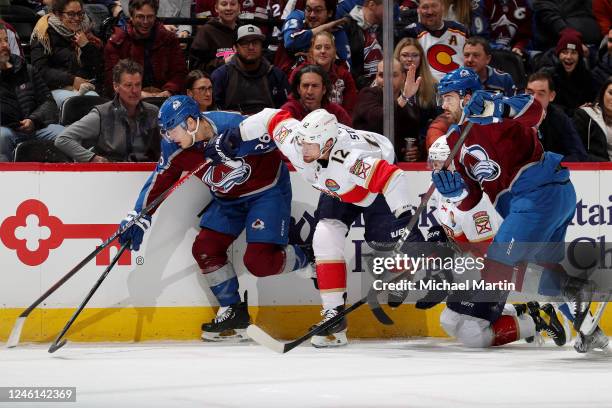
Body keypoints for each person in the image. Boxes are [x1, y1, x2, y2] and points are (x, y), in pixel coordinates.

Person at [212, 107, 426, 347]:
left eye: (310, 145)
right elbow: (270, 117)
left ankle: (409, 270)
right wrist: (237, 135)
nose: (303, 150)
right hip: (338, 189)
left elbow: (392, 177)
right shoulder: (295, 141)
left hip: (373, 187)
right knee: (324, 236)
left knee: (384, 243)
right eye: (302, 143)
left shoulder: (349, 160)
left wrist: (403, 214)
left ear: (328, 145)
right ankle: (333, 317)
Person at [432, 66, 607, 352]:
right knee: (547, 278)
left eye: (447, 97)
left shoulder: (495, 110)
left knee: (498, 266)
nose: (442, 105)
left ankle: (574, 288)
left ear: (466, 96)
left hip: (537, 195)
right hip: (540, 200)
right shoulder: (454, 140)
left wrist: (496, 106)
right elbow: (473, 200)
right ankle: (590, 331)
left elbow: (535, 110)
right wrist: (457, 192)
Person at [117, 95, 314, 341]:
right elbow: (160, 181)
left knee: (259, 262)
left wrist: (239, 144)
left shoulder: (230, 123)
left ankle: (307, 257)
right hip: (228, 200)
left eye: (171, 131)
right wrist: (139, 215)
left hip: (266, 191)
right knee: (205, 248)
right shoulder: (174, 148)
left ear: (190, 123)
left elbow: (276, 137)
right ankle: (233, 311)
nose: (168, 138)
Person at [423, 136, 568, 349]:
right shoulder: (438, 189)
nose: (434, 169)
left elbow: (487, 251)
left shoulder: (474, 198)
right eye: (432, 163)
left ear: (453, 164)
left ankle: (534, 323)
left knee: (473, 334)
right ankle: (521, 312)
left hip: (495, 271)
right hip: (474, 271)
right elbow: (449, 231)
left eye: (438, 163)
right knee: (449, 321)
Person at [54, 59, 160, 162]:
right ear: (116, 86)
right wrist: (92, 158)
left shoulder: (154, 112)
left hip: (146, 173)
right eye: (128, 85)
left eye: (138, 85)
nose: (135, 91)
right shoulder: (101, 114)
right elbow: (63, 139)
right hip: (111, 173)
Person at [0, 24, 63, 162]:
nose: (5, 45)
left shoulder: (27, 70)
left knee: (65, 134)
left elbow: (48, 102)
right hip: (7, 131)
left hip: (36, 127)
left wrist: (33, 120)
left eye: (5, 40)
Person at [104, 0, 188, 98]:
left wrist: (169, 91)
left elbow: (180, 72)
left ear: (155, 16)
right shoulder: (117, 42)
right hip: (130, 99)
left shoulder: (168, 39)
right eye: (140, 16)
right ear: (131, 16)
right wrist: (138, 93)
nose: (145, 22)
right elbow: (112, 80)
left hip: (165, 98)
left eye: (150, 17)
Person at [30, 0, 103, 108]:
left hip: (87, 85)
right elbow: (40, 70)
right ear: (58, 14)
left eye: (80, 13)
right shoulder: (43, 33)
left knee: (97, 103)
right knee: (83, 104)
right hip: (55, 88)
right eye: (71, 14)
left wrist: (86, 46)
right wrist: (71, 80)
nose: (77, 18)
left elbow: (98, 67)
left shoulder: (86, 31)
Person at [210, 24, 290, 114]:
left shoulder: (276, 75)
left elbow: (285, 109)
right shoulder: (222, 75)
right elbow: (214, 111)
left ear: (261, 46)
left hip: (268, 124)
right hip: (232, 125)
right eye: (245, 43)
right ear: (235, 48)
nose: (251, 47)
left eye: (255, 42)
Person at [352, 59, 420, 161]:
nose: (387, 80)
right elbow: (380, 119)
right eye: (381, 75)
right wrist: (404, 97)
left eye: (393, 75)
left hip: (397, 170)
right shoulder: (367, 95)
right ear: (376, 77)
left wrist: (414, 152)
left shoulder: (410, 107)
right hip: (366, 165)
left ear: (403, 78)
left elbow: (413, 138)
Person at [275, 0, 351, 76]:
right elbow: (290, 42)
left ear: (330, 13)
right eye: (308, 9)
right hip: (286, 79)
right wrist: (322, 28)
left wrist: (320, 59)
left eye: (318, 10)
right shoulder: (297, 16)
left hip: (323, 82)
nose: (312, 15)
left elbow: (347, 68)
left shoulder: (336, 31)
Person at [289, 31, 357, 115]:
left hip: (337, 123)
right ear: (311, 51)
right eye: (318, 47)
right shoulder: (299, 73)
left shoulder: (344, 75)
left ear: (334, 52)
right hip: (304, 122)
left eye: (327, 47)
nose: (323, 51)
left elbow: (351, 108)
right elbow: (292, 103)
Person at [525, 71, 588, 162]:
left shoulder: (560, 118)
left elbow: (579, 155)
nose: (534, 98)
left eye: (541, 94)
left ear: (551, 96)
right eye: (530, 93)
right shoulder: (514, 118)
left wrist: (551, 164)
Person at [399, 0, 467, 81]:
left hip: (459, 87)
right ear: (418, 10)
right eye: (425, 7)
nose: (430, 12)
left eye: (434, 6)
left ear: (443, 7)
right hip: (425, 88)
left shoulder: (461, 30)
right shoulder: (410, 32)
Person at [541, 28, 597, 117]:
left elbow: (593, 100)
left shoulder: (587, 76)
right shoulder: (548, 76)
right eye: (564, 52)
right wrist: (575, 112)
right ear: (558, 55)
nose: (569, 57)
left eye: (574, 52)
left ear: (579, 56)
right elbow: (548, 105)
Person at [393, 37, 439, 138]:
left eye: (415, 55)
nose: (410, 59)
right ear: (397, 57)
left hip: (423, 139)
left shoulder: (433, 85)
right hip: (396, 138)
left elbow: (438, 118)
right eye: (405, 55)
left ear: (421, 58)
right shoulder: (387, 84)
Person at [282, 64, 352, 125]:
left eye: (315, 86)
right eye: (305, 86)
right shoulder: (288, 112)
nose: (309, 92)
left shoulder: (336, 112)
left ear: (324, 89)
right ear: (298, 89)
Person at [189, 0, 239, 73]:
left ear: (238, 8)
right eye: (224, 4)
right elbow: (195, 69)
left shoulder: (244, 30)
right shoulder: (206, 32)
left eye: (233, 4)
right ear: (216, 8)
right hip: (213, 82)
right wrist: (225, 61)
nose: (229, 8)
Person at [343, 0, 383, 89]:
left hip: (379, 89)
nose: (391, 11)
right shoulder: (346, 25)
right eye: (388, 6)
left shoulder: (384, 29)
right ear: (372, 4)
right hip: (356, 90)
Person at [573, 77, 612, 161]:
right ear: (603, 93)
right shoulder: (585, 115)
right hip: (593, 170)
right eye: (611, 93)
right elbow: (577, 151)